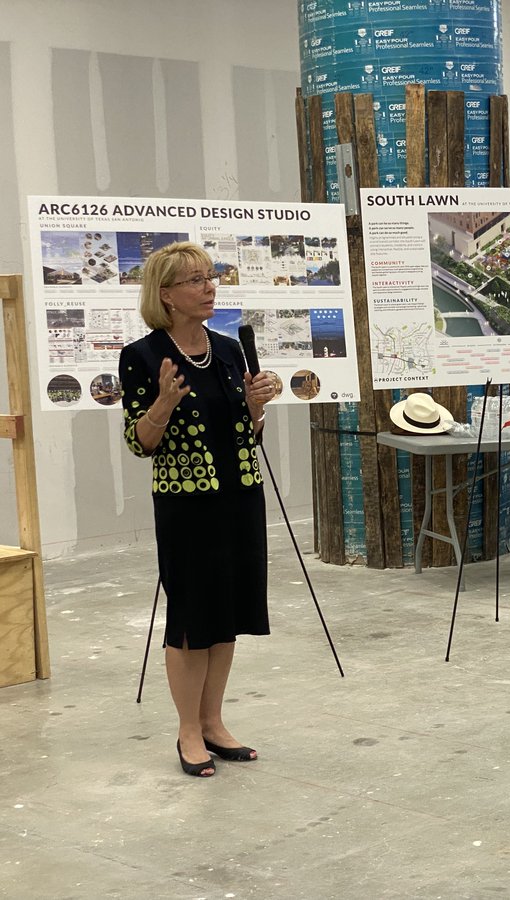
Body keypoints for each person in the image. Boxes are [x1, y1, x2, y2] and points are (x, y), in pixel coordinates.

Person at [119, 242, 275, 777]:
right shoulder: (142, 356)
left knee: (227, 609)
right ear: (165, 295)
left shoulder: (230, 350)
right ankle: (188, 730)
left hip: (239, 494)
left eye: (211, 277)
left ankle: (213, 721)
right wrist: (163, 400)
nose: (209, 287)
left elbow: (247, 435)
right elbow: (141, 442)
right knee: (192, 615)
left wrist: (257, 407)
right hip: (187, 503)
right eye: (194, 280)